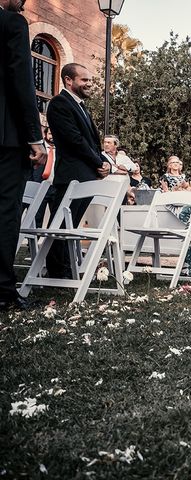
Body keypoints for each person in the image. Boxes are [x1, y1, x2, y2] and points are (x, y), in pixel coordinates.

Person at [0, 0, 47, 311]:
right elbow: (22, 82)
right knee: (5, 210)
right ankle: (2, 289)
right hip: (5, 136)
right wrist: (35, 137)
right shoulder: (12, 23)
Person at [46, 63, 111, 278]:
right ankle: (57, 269)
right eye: (84, 80)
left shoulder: (81, 106)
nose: (89, 84)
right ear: (68, 80)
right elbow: (74, 140)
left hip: (86, 175)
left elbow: (91, 142)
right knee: (62, 223)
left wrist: (104, 161)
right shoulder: (59, 104)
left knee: (72, 223)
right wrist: (97, 162)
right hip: (71, 175)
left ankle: (65, 266)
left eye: (90, 81)